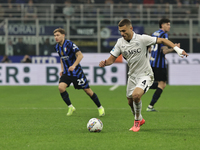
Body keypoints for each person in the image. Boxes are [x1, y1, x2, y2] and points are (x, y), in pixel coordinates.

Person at [99, 19, 188, 132]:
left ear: (131, 28)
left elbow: (162, 40)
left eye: (124, 30)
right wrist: (105, 63)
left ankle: (136, 122)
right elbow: (111, 59)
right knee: (130, 101)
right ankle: (140, 119)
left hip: (145, 75)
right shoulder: (120, 42)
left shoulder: (142, 39)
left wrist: (177, 49)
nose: (122, 33)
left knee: (136, 96)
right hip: (132, 76)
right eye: (120, 31)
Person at [53, 28, 105, 117]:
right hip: (66, 73)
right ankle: (70, 107)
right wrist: (62, 69)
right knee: (61, 88)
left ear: (63, 35)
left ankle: (100, 107)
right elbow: (62, 58)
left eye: (58, 35)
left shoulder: (69, 44)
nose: (56, 37)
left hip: (76, 73)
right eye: (55, 36)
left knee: (88, 91)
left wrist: (73, 65)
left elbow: (80, 55)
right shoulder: (57, 47)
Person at [146, 18, 177, 112]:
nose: (169, 26)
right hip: (160, 65)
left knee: (156, 83)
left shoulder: (154, 34)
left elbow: (150, 49)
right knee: (162, 84)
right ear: (162, 25)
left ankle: (142, 86)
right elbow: (164, 51)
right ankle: (150, 106)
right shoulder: (164, 35)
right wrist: (174, 48)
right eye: (168, 24)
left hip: (152, 62)